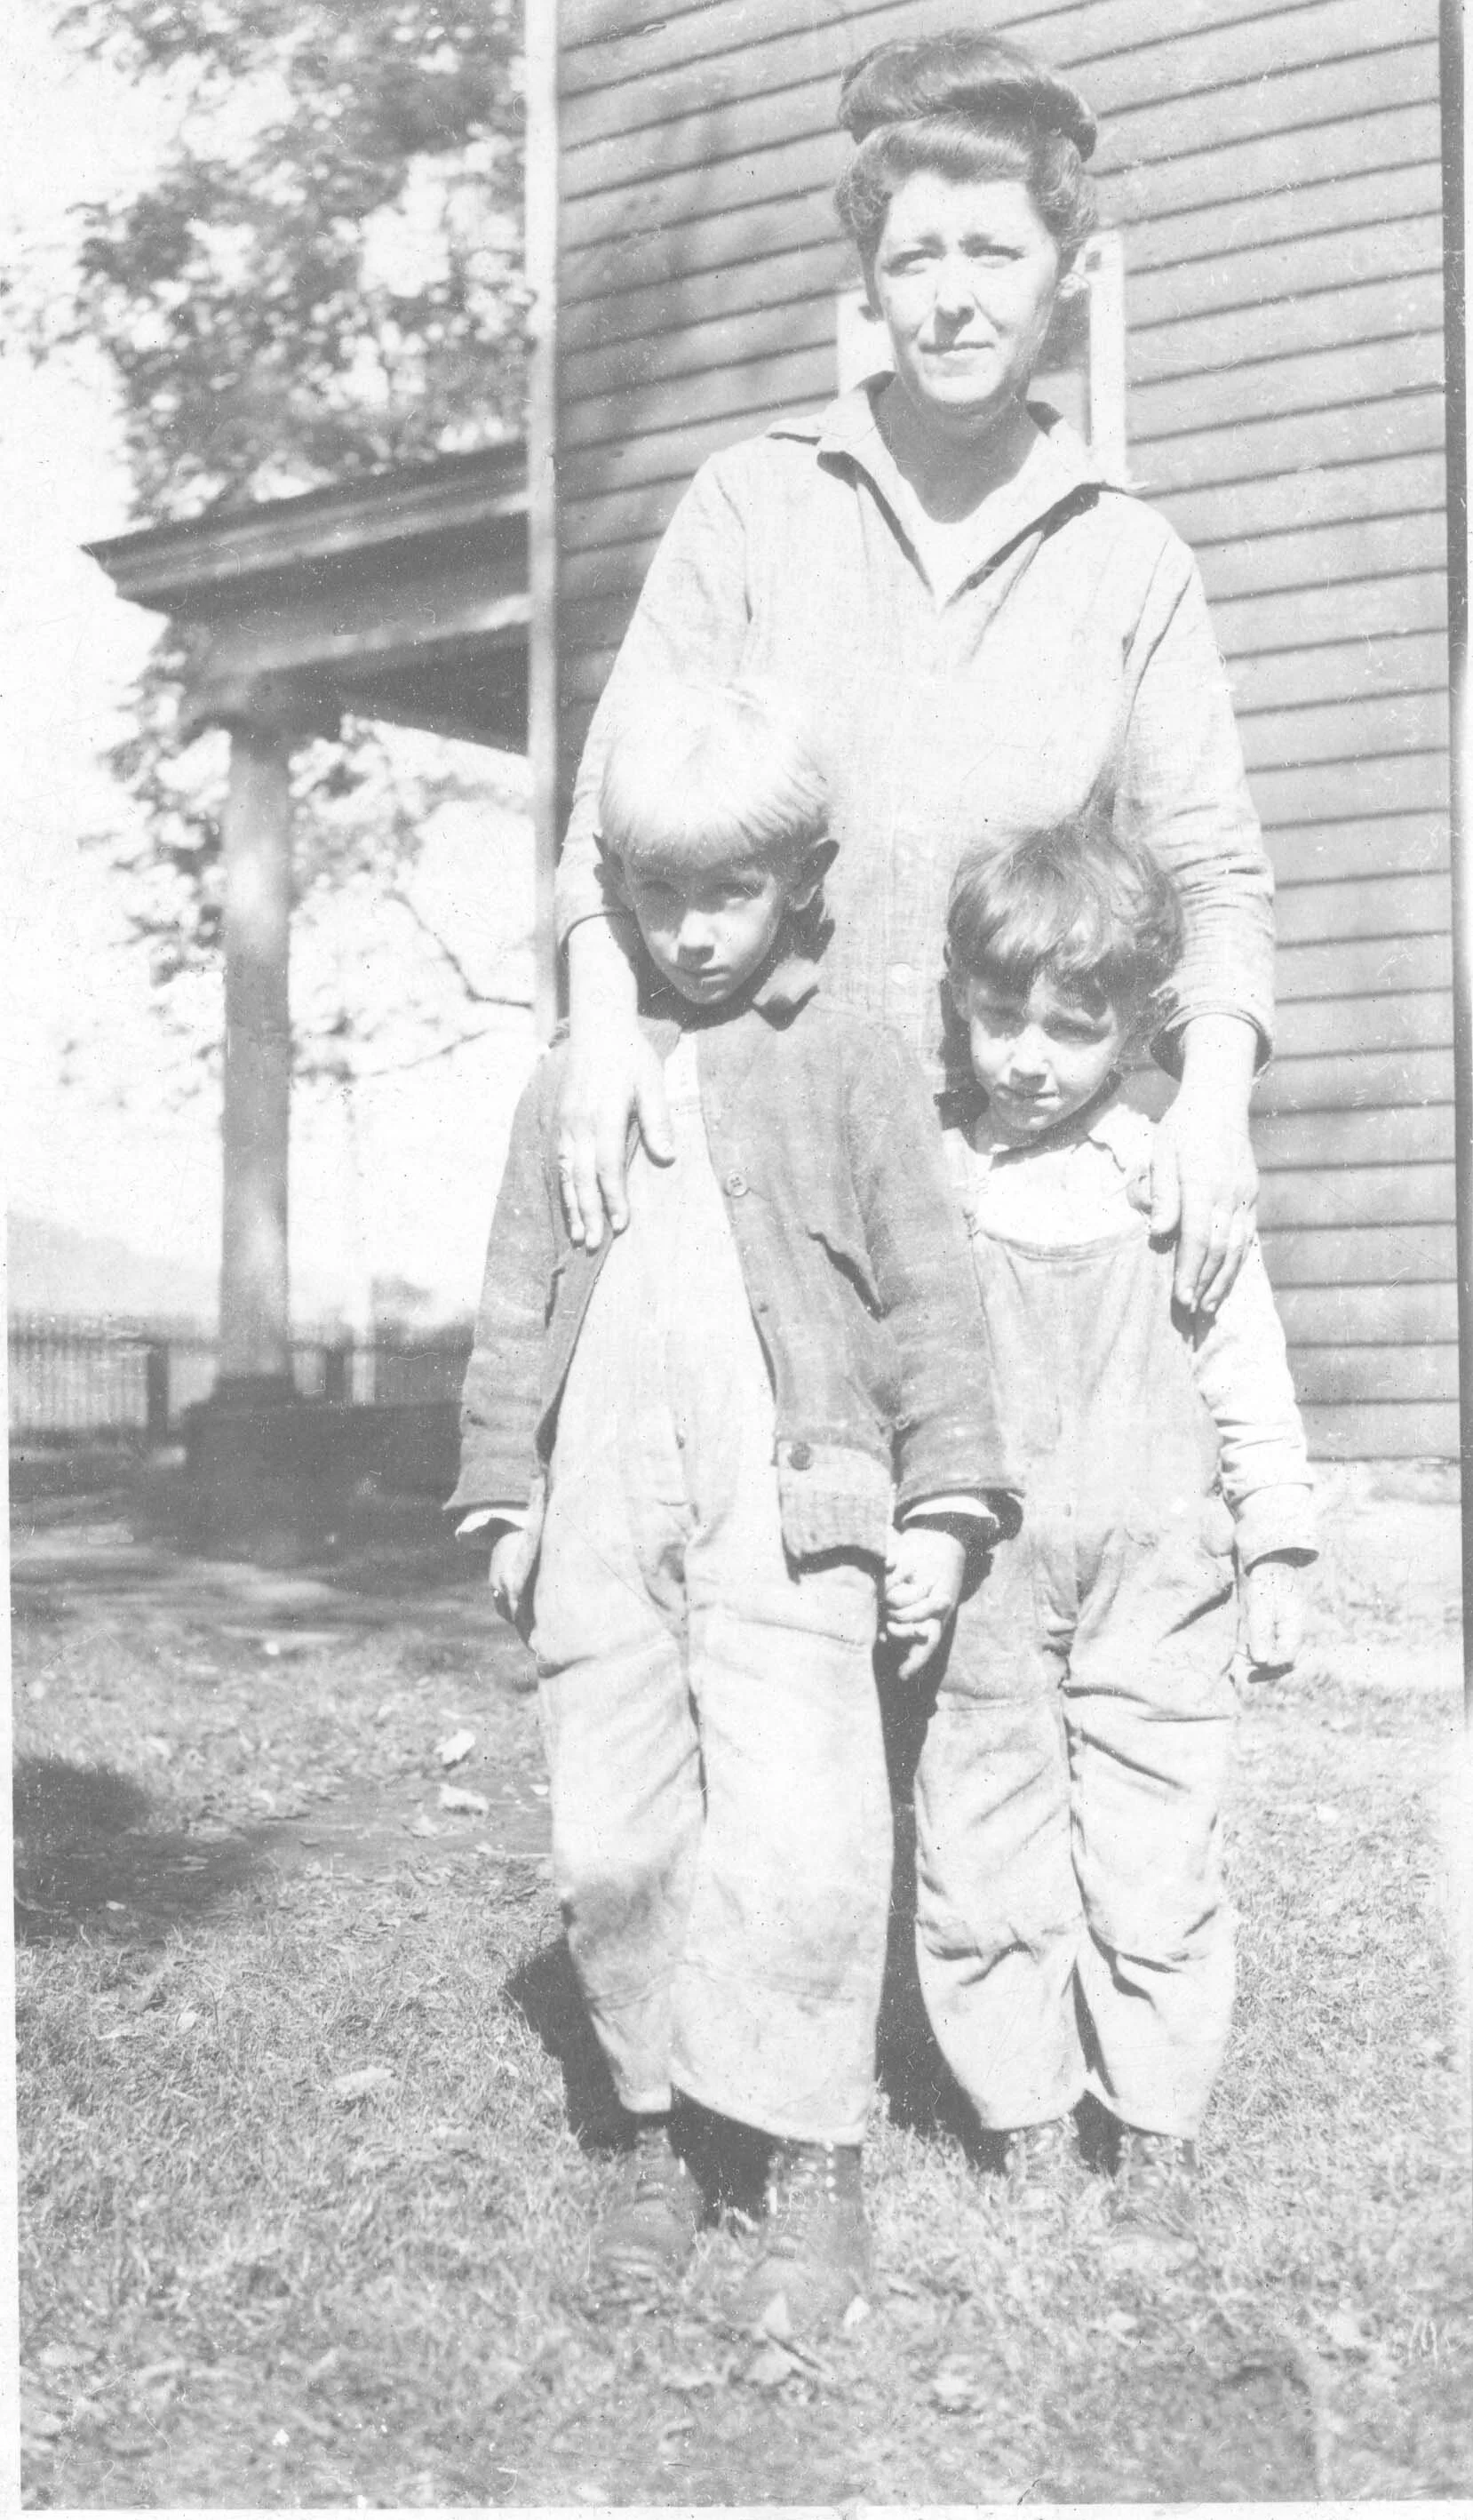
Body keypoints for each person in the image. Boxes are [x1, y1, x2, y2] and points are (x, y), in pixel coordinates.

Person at [449, 682, 1018, 2331]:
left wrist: (942, 1507)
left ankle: (810, 2160)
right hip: (603, 1506)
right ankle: (650, 2139)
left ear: (804, 879)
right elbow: (510, 1301)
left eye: (730, 893)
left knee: (803, 1835)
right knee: (612, 1834)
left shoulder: (844, 1064)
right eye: (656, 894)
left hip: (796, 1499)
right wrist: (504, 1493)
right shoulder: (574, 1074)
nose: (692, 934)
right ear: (612, 891)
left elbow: (927, 1295)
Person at [552, 28, 1276, 1323]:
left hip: (1010, 1179)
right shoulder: (750, 505)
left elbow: (1212, 877)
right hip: (749, 1170)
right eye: (912, 259)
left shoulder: (1130, 557)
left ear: (1065, 273)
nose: (952, 298)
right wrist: (601, 1033)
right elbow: (607, 821)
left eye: (994, 253)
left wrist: (1212, 1103)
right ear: (870, 287)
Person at [902, 821, 1315, 2262]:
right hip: (986, 1586)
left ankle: (1153, 2119)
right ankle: (1016, 2107)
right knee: (982, 1841)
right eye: (1000, 1016)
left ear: (1133, 1028)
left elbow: (1245, 1370)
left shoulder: (1168, 1179)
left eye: (1072, 1030)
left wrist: (1274, 1544)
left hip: (1158, 1576)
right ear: (959, 999)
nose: (1028, 1056)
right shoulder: (934, 1185)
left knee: (1152, 1850)